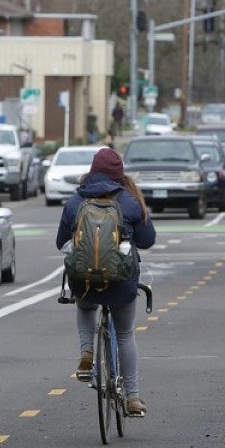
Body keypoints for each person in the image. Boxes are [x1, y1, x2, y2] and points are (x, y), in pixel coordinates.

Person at [56, 147, 157, 417]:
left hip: (85, 281)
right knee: (125, 333)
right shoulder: (130, 202)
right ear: (119, 175)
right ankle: (133, 398)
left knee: (86, 306)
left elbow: (60, 243)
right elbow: (148, 240)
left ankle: (87, 352)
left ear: (92, 170)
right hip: (121, 283)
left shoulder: (75, 202)